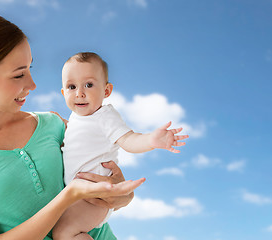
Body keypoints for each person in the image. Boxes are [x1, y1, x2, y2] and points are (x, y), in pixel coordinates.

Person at [0, 13, 144, 240]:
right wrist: (67, 196)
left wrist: (123, 196)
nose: (32, 84)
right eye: (18, 75)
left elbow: (107, 183)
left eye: (29, 69)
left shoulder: (52, 124)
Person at [52, 52, 189, 239]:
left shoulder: (105, 117)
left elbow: (128, 139)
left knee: (64, 233)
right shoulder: (77, 119)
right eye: (71, 86)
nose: (79, 93)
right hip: (80, 196)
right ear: (63, 92)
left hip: (96, 198)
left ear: (106, 91)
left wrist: (151, 140)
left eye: (89, 85)